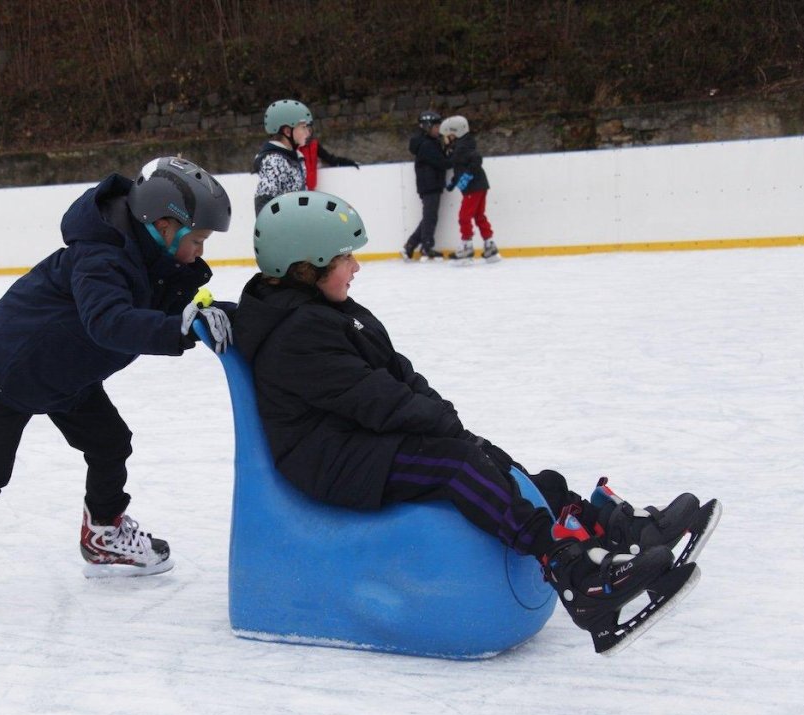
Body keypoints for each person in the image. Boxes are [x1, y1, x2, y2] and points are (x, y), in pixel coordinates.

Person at [231, 190, 721, 654]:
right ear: (306, 265)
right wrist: (440, 422)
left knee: (492, 461)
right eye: (345, 258)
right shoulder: (297, 334)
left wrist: (442, 416)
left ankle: (614, 534)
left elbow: (398, 374)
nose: (356, 266)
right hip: (332, 460)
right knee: (457, 466)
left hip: (356, 441)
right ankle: (574, 575)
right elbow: (374, 399)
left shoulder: (325, 311)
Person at [0, 156, 235, 631]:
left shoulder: (152, 262)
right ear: (163, 226)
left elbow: (171, 310)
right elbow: (109, 321)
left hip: (67, 373)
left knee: (111, 443)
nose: (199, 253)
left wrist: (229, 315)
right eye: (197, 240)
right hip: (11, 370)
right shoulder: (101, 257)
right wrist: (180, 328)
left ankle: (103, 534)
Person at [441, 115, 499, 264]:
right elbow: (460, 167)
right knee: (479, 215)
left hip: (474, 187)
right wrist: (454, 182)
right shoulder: (462, 145)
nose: (446, 139)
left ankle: (467, 246)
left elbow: (476, 160)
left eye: (448, 135)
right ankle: (490, 245)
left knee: (464, 217)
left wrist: (467, 176)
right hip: (479, 185)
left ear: (455, 132)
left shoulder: (463, 147)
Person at [402, 110, 456, 262]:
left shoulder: (430, 142)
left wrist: (447, 147)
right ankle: (426, 247)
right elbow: (444, 163)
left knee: (429, 216)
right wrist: (454, 154)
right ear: (427, 127)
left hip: (431, 184)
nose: (439, 130)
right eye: (436, 127)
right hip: (430, 184)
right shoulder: (427, 145)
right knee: (430, 217)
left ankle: (410, 245)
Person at [253, 99, 312, 215]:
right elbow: (263, 205)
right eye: (303, 127)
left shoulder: (295, 158)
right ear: (287, 131)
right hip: (284, 224)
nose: (308, 133)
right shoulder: (274, 161)